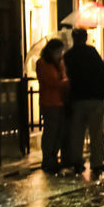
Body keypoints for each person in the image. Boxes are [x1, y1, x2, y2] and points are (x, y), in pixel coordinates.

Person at [63, 27, 104, 173]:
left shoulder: (68, 56)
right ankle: (96, 162)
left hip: (77, 98)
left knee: (77, 132)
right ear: (85, 38)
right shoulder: (91, 52)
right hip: (94, 97)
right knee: (96, 132)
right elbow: (103, 73)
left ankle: (77, 161)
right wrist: (103, 88)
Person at [35, 39, 69, 173]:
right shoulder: (42, 63)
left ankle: (54, 157)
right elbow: (51, 81)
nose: (60, 54)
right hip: (49, 102)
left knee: (59, 132)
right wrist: (65, 82)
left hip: (60, 101)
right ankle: (47, 159)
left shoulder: (59, 63)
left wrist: (63, 76)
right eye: (58, 51)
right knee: (50, 132)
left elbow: (63, 77)